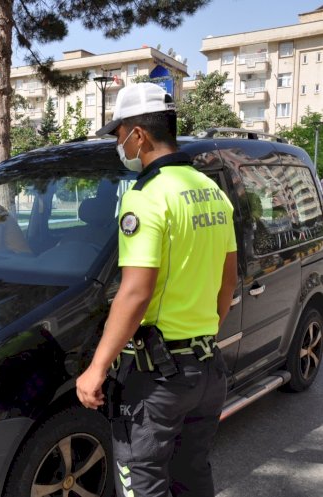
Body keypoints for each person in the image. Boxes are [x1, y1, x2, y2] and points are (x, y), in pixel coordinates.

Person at [75, 83, 238, 497]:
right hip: (206, 369)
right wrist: (204, 335)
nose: (119, 144)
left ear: (139, 134)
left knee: (141, 482)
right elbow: (228, 279)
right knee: (192, 476)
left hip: (158, 380)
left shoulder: (145, 198)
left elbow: (136, 292)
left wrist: (97, 368)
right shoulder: (212, 192)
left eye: (118, 135)